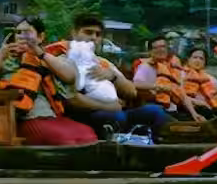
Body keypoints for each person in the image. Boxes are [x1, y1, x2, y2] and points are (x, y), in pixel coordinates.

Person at [0, 15, 97, 146]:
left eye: (27, 32)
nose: (22, 37)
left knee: (88, 134)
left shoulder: (49, 58)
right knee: (65, 140)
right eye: (18, 33)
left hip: (50, 116)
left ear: (40, 37)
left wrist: (40, 53)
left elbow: (70, 76)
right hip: (21, 118)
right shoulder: (4, 60)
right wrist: (1, 54)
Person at [61, 11, 170, 143]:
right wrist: (111, 106)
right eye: (88, 32)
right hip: (84, 114)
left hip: (115, 112)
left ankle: (152, 152)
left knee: (155, 111)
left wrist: (113, 77)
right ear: (74, 33)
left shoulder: (103, 62)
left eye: (98, 34)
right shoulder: (63, 60)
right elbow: (72, 100)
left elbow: (132, 92)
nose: (94, 38)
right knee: (116, 116)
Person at [133, 35, 206, 124]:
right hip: (155, 108)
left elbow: (182, 94)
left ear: (167, 49)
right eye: (156, 48)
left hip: (173, 110)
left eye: (163, 47)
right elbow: (136, 84)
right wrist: (160, 87)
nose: (160, 50)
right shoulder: (145, 67)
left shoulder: (172, 69)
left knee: (200, 118)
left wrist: (194, 114)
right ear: (150, 52)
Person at [181, 46, 217, 117]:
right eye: (195, 57)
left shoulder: (208, 78)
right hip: (189, 108)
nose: (198, 61)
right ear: (188, 60)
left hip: (209, 109)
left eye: (201, 58)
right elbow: (179, 95)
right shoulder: (181, 74)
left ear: (204, 63)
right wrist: (198, 102)